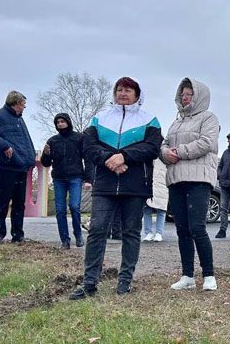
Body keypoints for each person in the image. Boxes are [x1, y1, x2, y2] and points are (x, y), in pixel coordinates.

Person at [69, 77, 162, 299]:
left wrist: (124, 156)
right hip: (105, 183)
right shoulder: (99, 119)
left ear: (137, 95)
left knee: (131, 232)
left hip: (135, 185)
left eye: (128, 90)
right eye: (119, 89)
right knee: (97, 230)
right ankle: (89, 282)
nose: (123, 93)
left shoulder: (150, 120)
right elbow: (88, 146)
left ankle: (125, 281)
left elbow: (151, 148)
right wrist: (110, 159)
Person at [160, 78, 220, 291]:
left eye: (190, 94)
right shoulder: (176, 122)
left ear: (199, 96)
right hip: (176, 179)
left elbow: (206, 143)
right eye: (183, 94)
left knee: (197, 227)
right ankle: (187, 275)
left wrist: (179, 152)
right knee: (182, 229)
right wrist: (166, 153)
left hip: (198, 180)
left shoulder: (209, 118)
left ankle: (209, 275)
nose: (185, 97)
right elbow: (164, 145)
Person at [0, 91, 36, 244]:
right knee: (3, 201)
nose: (24, 107)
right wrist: (4, 145)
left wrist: (29, 158)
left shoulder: (19, 119)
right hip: (8, 166)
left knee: (19, 203)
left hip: (21, 167)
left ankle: (18, 234)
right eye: (23, 105)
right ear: (16, 104)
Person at [40, 113, 90, 249]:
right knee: (60, 210)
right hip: (59, 178)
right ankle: (64, 240)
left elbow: (87, 158)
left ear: (68, 122)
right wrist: (45, 154)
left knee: (74, 206)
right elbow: (45, 163)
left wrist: (87, 178)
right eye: (58, 122)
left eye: (62, 121)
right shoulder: (52, 141)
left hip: (75, 176)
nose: (60, 124)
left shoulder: (79, 138)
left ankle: (78, 235)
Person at [142, 158, 168, 242]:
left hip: (162, 184)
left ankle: (158, 233)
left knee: (161, 209)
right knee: (147, 208)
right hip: (149, 184)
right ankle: (148, 232)